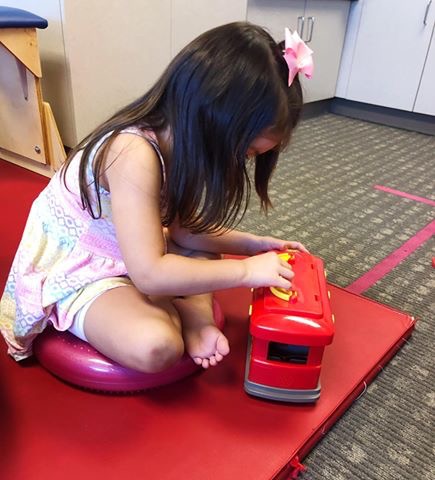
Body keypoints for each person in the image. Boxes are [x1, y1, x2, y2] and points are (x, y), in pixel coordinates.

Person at [0, 22, 312, 372]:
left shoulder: (181, 145)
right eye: (245, 151)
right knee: (158, 344)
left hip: (135, 253)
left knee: (206, 251)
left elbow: (186, 232)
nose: (242, 162)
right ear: (212, 119)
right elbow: (149, 274)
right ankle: (178, 311)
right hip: (83, 269)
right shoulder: (133, 153)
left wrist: (255, 245)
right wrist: (244, 273)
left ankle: (194, 321)